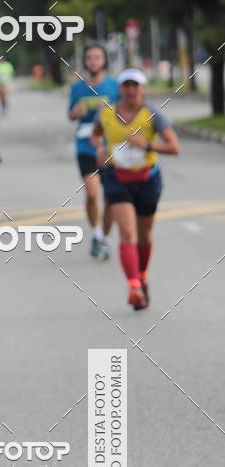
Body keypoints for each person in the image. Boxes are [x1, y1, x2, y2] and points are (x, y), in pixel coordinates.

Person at [93, 68, 180, 310]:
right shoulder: (106, 113)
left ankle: (142, 276)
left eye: (136, 85)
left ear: (143, 88)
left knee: (145, 235)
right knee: (127, 232)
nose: (131, 90)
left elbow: (175, 147)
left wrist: (148, 145)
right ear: (120, 88)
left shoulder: (152, 114)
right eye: (127, 85)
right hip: (116, 178)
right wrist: (100, 149)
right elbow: (96, 134)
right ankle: (133, 286)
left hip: (147, 179)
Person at [68, 44, 118, 260]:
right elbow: (71, 115)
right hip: (85, 145)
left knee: (110, 199)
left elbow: (125, 113)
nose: (93, 61)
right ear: (85, 62)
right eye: (89, 57)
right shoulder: (77, 88)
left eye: (97, 57)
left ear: (104, 61)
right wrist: (76, 111)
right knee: (91, 191)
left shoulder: (115, 86)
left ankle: (104, 238)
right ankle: (96, 232)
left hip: (111, 147)